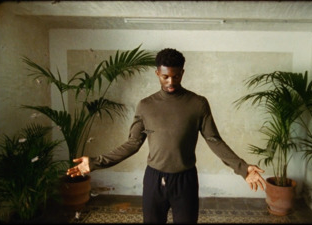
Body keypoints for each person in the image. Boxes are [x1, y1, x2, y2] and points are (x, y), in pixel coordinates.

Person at [67, 48, 266, 224]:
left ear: (182, 73)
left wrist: (243, 168)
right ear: (157, 73)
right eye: (165, 77)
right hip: (154, 180)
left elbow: (214, 140)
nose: (171, 82)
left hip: (186, 180)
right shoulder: (145, 106)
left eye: (176, 76)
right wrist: (95, 162)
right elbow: (133, 143)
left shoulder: (198, 104)